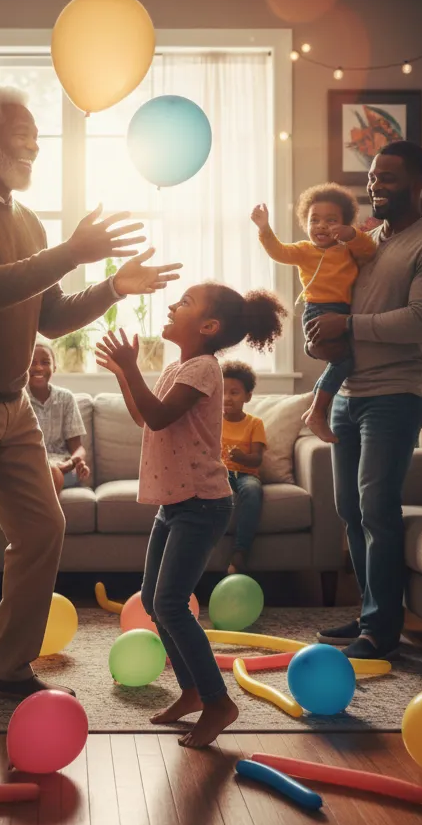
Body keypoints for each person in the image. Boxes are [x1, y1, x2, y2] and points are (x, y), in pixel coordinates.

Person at [0, 86, 182, 740]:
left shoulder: (28, 223)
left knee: (43, 528)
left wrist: (111, 286)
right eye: (21, 133)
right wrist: (75, 253)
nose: (33, 145)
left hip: (8, 400)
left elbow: (48, 314)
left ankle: (7, 669)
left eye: (35, 135)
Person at [96, 282, 286, 748]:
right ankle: (193, 691)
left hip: (202, 504)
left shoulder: (203, 368)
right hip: (175, 504)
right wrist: (125, 374)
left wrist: (129, 367)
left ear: (208, 327)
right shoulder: (180, 365)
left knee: (172, 606)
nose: (171, 305)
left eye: (183, 303)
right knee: (155, 599)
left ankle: (219, 701)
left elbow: (159, 416)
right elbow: (146, 416)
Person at [306, 141, 422, 661]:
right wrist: (322, 342)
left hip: (397, 394)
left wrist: (345, 325)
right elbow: (335, 299)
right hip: (351, 392)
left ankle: (381, 630)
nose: (375, 186)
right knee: (349, 508)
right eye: (373, 177)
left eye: (388, 178)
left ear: (417, 184)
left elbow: (421, 322)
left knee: (376, 506)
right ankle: (369, 611)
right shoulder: (367, 241)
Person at [252, 183, 376, 443]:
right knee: (343, 362)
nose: (321, 226)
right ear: (305, 223)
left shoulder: (347, 249)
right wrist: (264, 229)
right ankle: (317, 413)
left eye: (331, 221)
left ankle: (315, 412)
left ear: (344, 224)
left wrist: (351, 234)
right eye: (315, 220)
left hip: (343, 313)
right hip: (318, 310)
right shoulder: (304, 250)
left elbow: (369, 250)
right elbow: (279, 252)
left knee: (342, 363)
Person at [219, 360, 267, 575]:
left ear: (247, 396)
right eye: (222, 392)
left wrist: (241, 457)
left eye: (234, 392)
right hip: (221, 474)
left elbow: (257, 459)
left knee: (252, 490)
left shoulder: (254, 424)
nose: (227, 398)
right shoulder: (212, 421)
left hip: (247, 474)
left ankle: (240, 552)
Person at [28, 341, 91, 492]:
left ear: (54, 367)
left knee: (53, 473)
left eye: (45, 362)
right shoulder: (18, 399)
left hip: (63, 468)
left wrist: (75, 462)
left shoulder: (65, 398)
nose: (39, 367)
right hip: (30, 468)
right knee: (42, 474)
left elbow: (78, 447)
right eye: (32, 363)